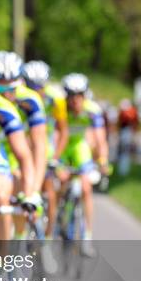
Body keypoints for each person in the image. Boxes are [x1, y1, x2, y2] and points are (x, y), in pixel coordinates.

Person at [0, 51, 46, 240]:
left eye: (12, 89)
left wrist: (34, 191)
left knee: (22, 187)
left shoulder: (30, 100)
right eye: (0, 89)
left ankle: (19, 246)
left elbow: (39, 146)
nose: (7, 95)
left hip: (18, 154)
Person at [60, 73, 109, 253]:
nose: (74, 100)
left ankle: (87, 235)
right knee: (58, 184)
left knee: (86, 188)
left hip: (79, 147)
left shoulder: (92, 110)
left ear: (85, 96)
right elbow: (51, 135)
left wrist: (102, 160)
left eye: (79, 96)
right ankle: (59, 219)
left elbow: (100, 139)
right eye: (71, 96)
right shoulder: (60, 109)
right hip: (62, 147)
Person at [22, 60, 69, 238]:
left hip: (46, 143)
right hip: (25, 142)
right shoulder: (21, 99)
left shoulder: (56, 99)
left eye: (39, 87)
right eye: (31, 87)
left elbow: (63, 130)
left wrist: (56, 156)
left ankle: (47, 240)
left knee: (49, 188)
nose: (36, 92)